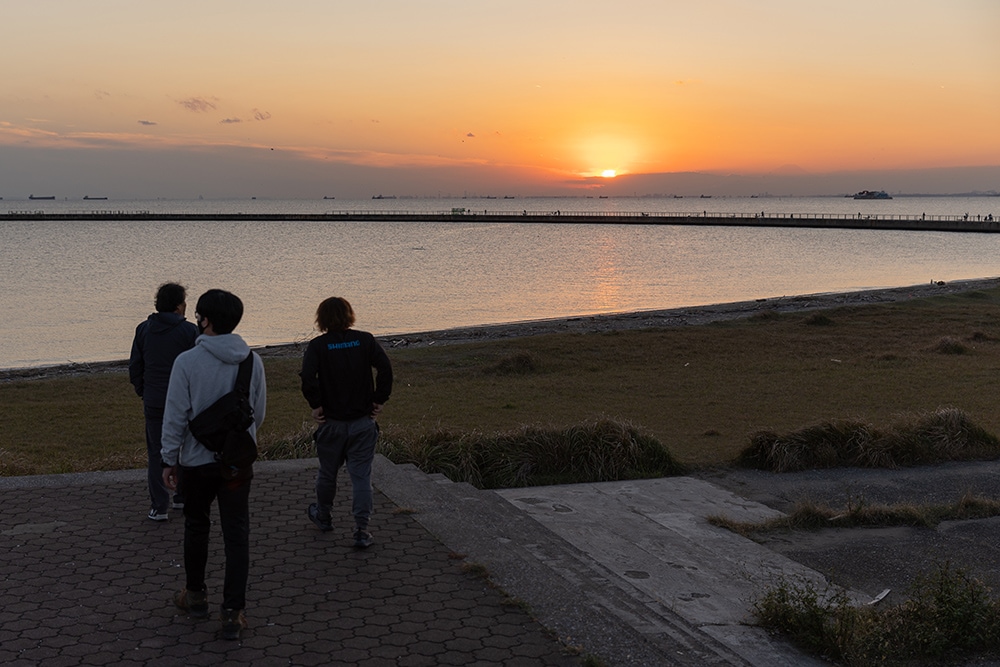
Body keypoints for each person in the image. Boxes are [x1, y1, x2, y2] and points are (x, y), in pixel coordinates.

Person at [160, 289, 266, 641]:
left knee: (196, 526)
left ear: (204, 320)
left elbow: (175, 415)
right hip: (236, 464)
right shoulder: (251, 361)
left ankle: (195, 595)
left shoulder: (187, 363)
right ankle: (233, 613)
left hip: (195, 462)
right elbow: (258, 414)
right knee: (237, 534)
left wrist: (168, 459)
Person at [300, 296, 392, 548]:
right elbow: (385, 368)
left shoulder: (318, 346)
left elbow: (307, 376)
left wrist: (316, 404)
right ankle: (362, 529)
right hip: (363, 422)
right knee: (361, 476)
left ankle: (324, 515)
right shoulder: (365, 340)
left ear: (322, 318)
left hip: (331, 422)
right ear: (349, 315)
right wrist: (379, 399)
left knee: (327, 473)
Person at [129, 282, 198, 521]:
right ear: (179, 306)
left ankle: (159, 506)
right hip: (186, 401)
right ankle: (182, 496)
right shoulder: (190, 332)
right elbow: (197, 368)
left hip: (155, 399)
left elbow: (135, 366)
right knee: (186, 448)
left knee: (156, 453)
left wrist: (143, 390)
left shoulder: (144, 329)